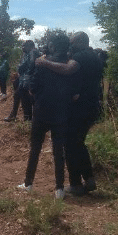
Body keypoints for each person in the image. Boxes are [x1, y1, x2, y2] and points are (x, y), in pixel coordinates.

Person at [35, 31, 103, 195]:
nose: (69, 46)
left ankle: (76, 184)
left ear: (80, 42)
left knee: (70, 144)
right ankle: (89, 179)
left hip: (80, 108)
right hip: (92, 106)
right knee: (79, 143)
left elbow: (67, 69)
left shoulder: (80, 56)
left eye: (72, 43)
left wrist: (44, 62)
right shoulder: (94, 56)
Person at [17, 32, 78, 198]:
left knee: (35, 148)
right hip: (61, 113)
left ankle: (28, 184)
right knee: (59, 151)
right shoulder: (70, 65)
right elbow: (74, 94)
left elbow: (32, 88)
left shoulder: (41, 63)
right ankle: (59, 189)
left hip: (41, 111)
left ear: (53, 46)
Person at [4, 40, 38, 122]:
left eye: (24, 46)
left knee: (26, 100)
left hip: (29, 80)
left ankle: (27, 119)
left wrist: (25, 75)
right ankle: (18, 116)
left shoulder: (33, 52)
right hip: (24, 79)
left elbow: (31, 65)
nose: (23, 48)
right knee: (20, 96)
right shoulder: (27, 54)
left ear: (29, 46)